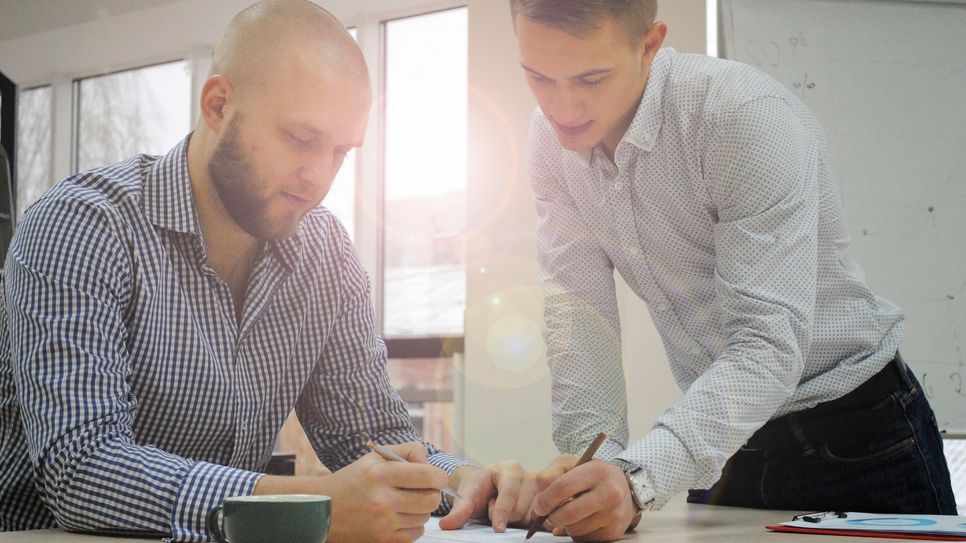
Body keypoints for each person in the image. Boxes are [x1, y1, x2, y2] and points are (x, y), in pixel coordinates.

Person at [0, 1, 537, 541]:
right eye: (301, 139)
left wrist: (464, 480)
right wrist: (313, 507)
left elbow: (370, 436)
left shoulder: (325, 251)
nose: (318, 177)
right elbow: (82, 470)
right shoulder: (84, 225)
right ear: (218, 105)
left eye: (340, 153)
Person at [508, 0, 957, 540]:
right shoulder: (549, 142)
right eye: (538, 77)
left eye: (591, 78)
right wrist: (589, 466)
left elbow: (766, 345)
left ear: (650, 44)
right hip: (723, 444)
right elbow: (580, 320)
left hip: (860, 439)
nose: (562, 106)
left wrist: (636, 480)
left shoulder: (742, 115)